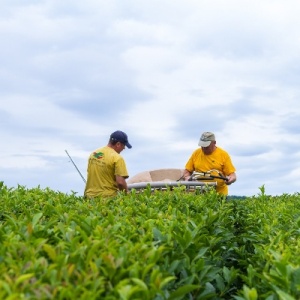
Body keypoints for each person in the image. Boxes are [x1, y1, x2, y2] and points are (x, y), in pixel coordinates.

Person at [182, 131, 236, 196]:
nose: (204, 148)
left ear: (214, 143)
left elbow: (232, 175)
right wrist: (187, 177)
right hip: (199, 194)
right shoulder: (196, 153)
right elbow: (187, 171)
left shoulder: (223, 155)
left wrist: (230, 179)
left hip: (219, 195)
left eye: (206, 146)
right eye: (202, 146)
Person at [84, 130, 132, 199]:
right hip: (107, 199)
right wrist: (127, 197)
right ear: (118, 144)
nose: (124, 148)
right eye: (124, 145)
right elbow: (120, 182)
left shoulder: (94, 154)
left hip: (89, 197)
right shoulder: (117, 158)